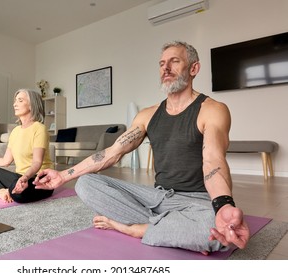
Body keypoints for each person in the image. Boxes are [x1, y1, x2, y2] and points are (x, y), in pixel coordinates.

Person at [34, 41, 250, 254]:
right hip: (157, 197)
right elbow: (111, 153)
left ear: (194, 68)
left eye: (174, 61)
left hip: (196, 201)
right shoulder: (148, 115)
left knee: (217, 232)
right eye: (162, 63)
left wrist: (223, 205)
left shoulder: (212, 110)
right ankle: (172, 231)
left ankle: (134, 228)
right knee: (86, 184)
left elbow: (213, 159)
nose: (165, 68)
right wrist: (62, 176)